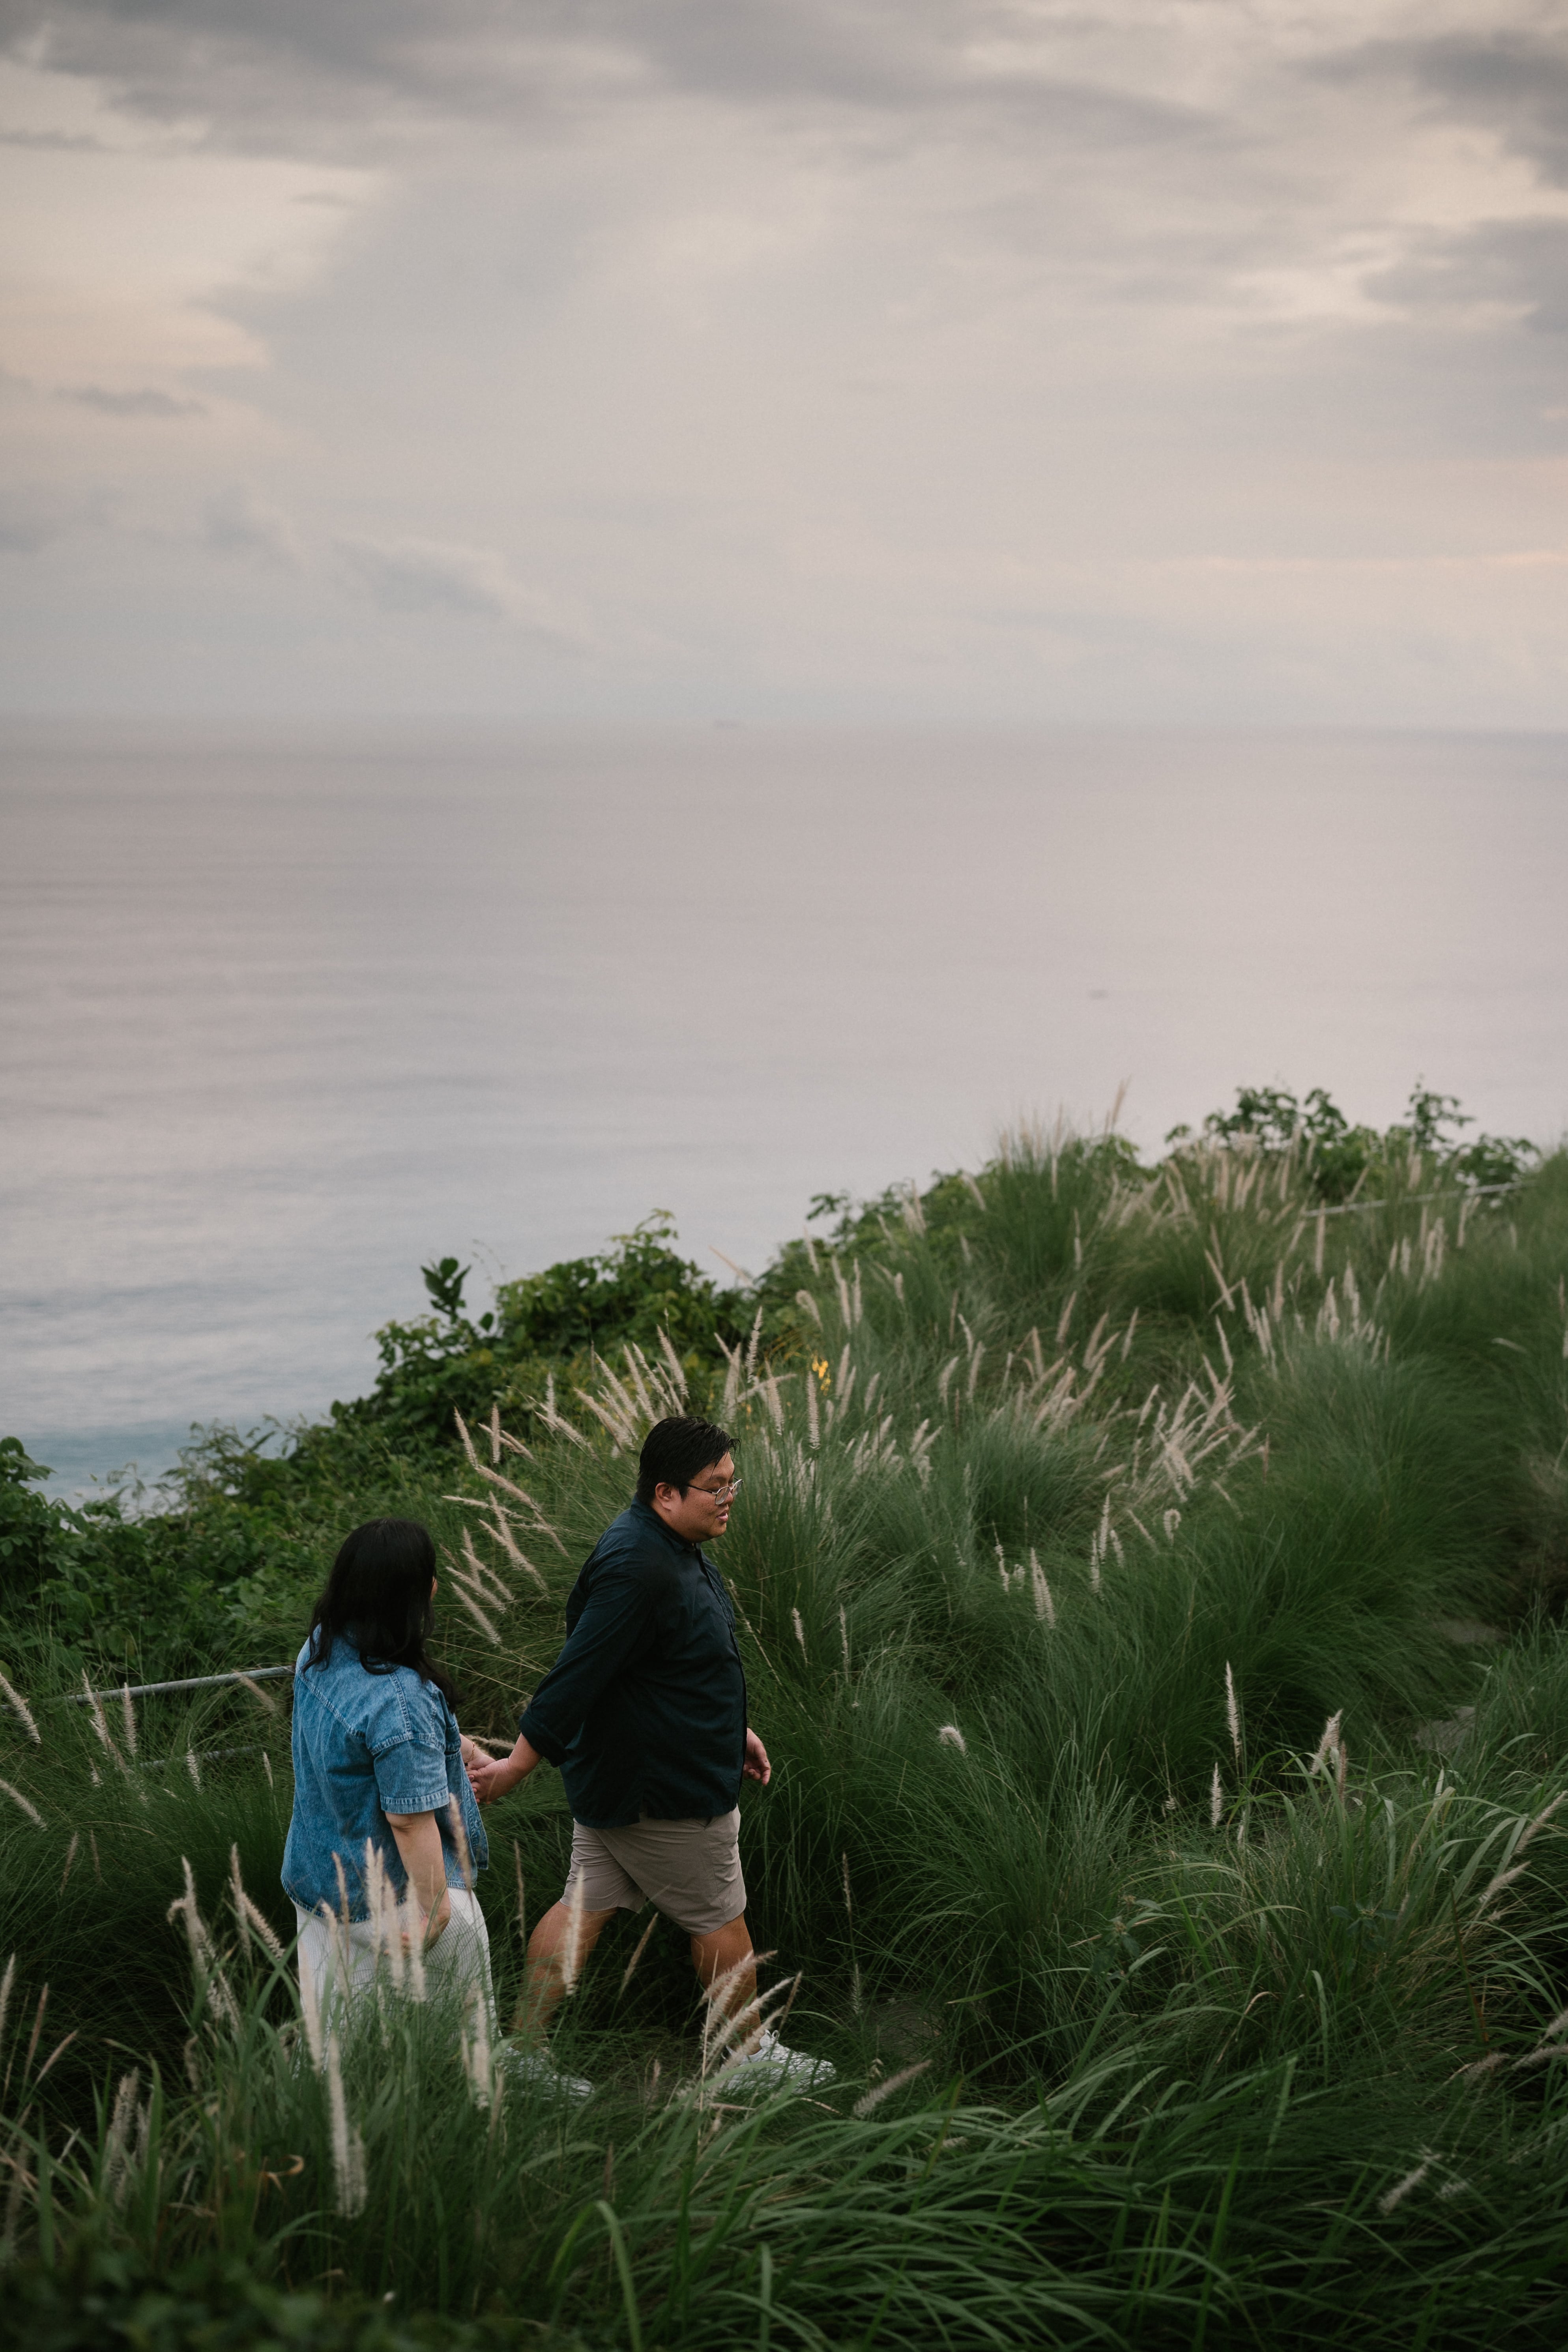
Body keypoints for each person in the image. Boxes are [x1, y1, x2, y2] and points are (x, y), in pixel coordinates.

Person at [468, 1415, 830, 2092]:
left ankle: (521, 2053)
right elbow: (576, 1675)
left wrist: (734, 1730)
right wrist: (516, 1766)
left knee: (584, 1904)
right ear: (665, 1493)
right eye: (714, 1487)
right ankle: (749, 2060)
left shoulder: (667, 1543)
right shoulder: (638, 1566)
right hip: (662, 1788)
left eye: (732, 1483)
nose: (728, 1497)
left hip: (627, 1775)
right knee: (719, 1914)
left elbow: (675, 1664)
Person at [282, 1516, 493, 2017]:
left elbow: (374, 1740)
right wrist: (436, 1914)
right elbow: (408, 1821)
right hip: (399, 1900)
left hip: (316, 1880)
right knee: (465, 2041)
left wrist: (461, 1749)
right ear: (420, 1594)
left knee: (336, 2042)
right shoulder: (403, 1700)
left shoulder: (321, 1647)